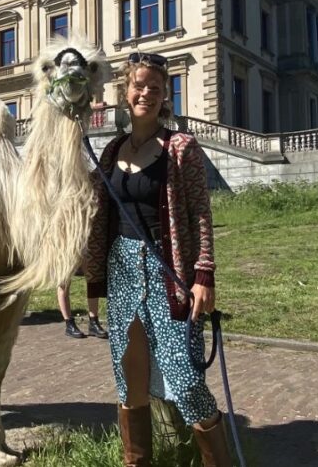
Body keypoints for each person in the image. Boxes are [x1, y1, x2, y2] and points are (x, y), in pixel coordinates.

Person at [84, 52, 232, 466]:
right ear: (125, 92)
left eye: (155, 87)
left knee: (184, 378)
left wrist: (204, 275)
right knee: (129, 380)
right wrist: (94, 282)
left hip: (170, 273)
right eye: (138, 85)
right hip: (122, 271)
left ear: (165, 95)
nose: (145, 92)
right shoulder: (112, 151)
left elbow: (200, 214)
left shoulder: (180, 147)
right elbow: (99, 221)